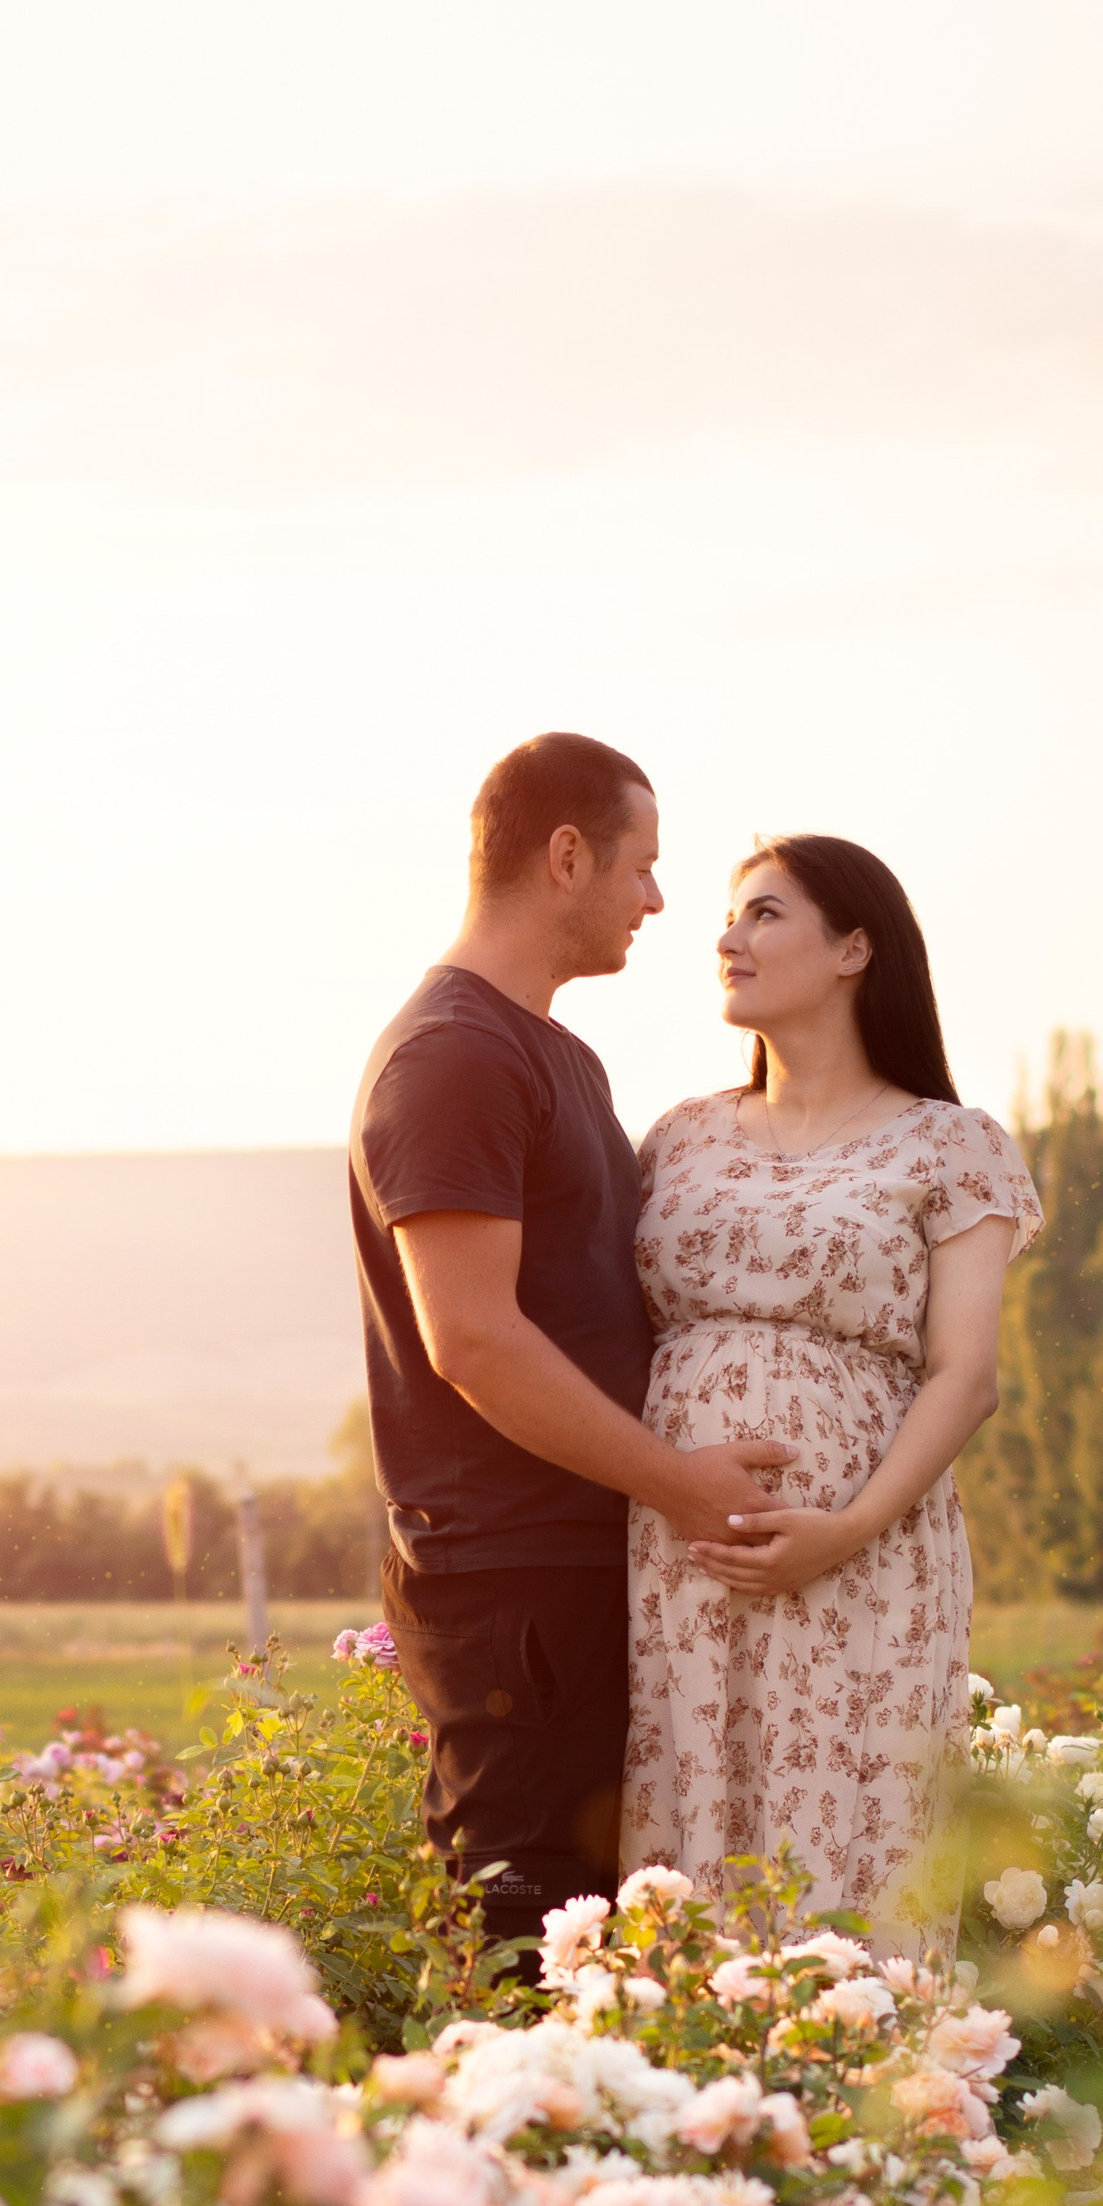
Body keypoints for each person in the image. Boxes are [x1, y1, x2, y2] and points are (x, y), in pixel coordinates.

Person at [348, 734, 789, 1942]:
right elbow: (473, 1339)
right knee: (523, 1933)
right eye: (642, 866)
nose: (658, 900)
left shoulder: (553, 1054)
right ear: (565, 856)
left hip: (576, 1566)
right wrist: (681, 1483)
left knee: (596, 1931)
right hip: (513, 1582)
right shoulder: (453, 1056)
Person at [620, 833, 1041, 1938]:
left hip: (868, 1556)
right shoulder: (678, 1137)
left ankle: (864, 2051)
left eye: (764, 914)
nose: (727, 938)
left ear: (855, 948)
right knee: (690, 1846)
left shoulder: (951, 1145)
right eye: (730, 916)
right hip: (682, 1554)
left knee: (849, 1863)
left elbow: (966, 1376)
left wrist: (845, 1529)